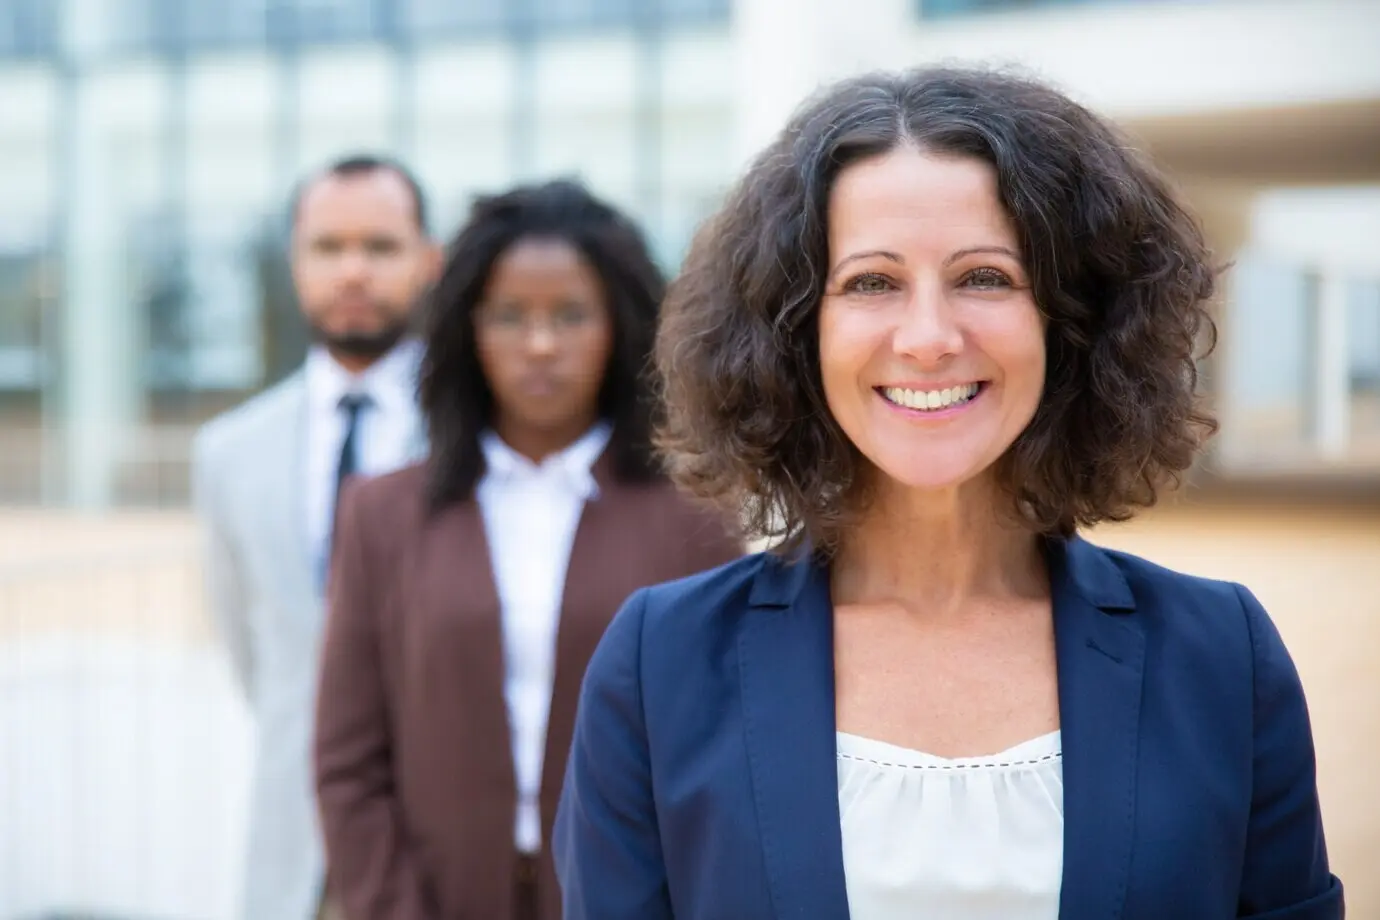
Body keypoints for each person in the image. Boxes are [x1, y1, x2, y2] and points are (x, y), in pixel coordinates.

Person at [553, 67, 1345, 919]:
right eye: (872, 282)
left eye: (984, 277)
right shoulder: (661, 663)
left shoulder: (1220, 656)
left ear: (1073, 321)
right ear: (794, 331)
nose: (927, 337)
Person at [313, 178, 743, 920]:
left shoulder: (698, 515)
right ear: (468, 330)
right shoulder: (380, 516)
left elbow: (726, 754)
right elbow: (349, 763)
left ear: (619, 326)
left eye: (571, 315)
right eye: (510, 316)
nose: (540, 344)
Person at [191, 154, 439, 920]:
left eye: (381, 246)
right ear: (295, 263)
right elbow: (253, 651)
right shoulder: (229, 452)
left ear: (428, 261)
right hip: (293, 852)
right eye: (329, 248)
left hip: (447, 847)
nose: (353, 270)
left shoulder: (477, 437)